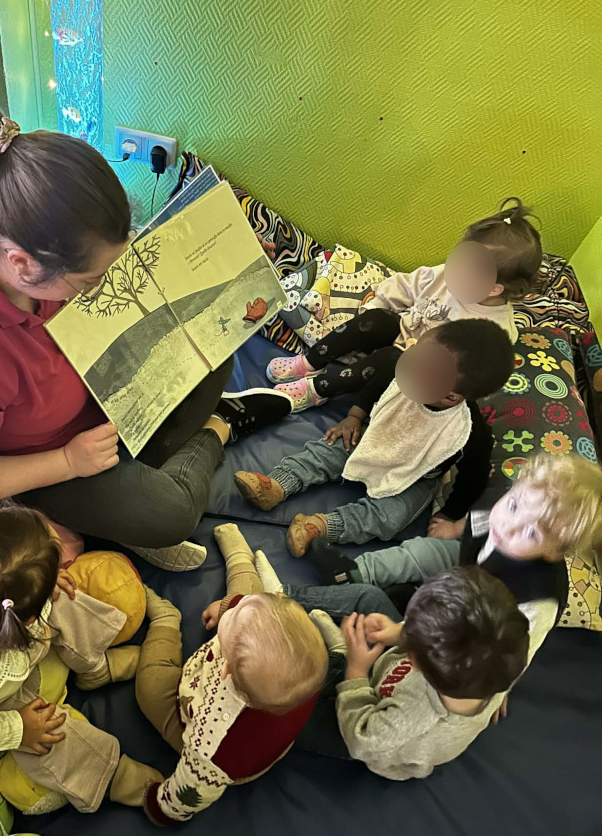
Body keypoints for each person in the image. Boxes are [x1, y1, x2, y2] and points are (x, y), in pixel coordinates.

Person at [0, 110, 290, 568]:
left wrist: (229, 262)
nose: (104, 286)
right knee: (170, 514)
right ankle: (219, 426)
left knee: (215, 344)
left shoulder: (3, 213)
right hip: (45, 456)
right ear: (23, 264)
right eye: (90, 283)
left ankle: (136, 485)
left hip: (91, 387)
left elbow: (122, 264)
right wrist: (68, 462)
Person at [0, 504, 163, 814]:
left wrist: (46, 583)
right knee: (48, 732)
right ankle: (114, 777)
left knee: (63, 595)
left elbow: (9, 578)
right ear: (23, 620)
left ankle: (94, 667)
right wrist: (18, 729)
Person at [235, 319, 514, 557]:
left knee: (392, 517)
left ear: (451, 397)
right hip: (374, 438)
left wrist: (450, 516)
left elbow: (473, 478)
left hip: (413, 477)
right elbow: (375, 385)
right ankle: (277, 484)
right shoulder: (398, 366)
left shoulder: (467, 432)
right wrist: (354, 417)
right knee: (328, 448)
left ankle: (321, 527)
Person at [305, 452, 602, 661]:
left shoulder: (538, 598)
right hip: (467, 563)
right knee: (421, 552)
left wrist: (496, 688)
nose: (507, 526)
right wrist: (453, 528)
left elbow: (519, 651)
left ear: (554, 552)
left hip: (481, 608)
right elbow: (479, 517)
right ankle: (354, 571)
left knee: (453, 634)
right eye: (513, 506)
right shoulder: (502, 509)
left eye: (530, 533)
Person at [265, 198, 541, 412]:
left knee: (387, 360)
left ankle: (318, 389)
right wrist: (373, 311)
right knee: (377, 318)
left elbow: (471, 376)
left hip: (416, 369)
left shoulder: (494, 331)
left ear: (493, 288)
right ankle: (310, 362)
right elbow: (406, 285)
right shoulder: (448, 275)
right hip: (402, 331)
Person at [134, 523, 328, 825]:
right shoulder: (303, 664)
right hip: (265, 712)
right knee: (253, 599)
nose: (234, 607)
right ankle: (239, 555)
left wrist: (160, 805)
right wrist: (230, 606)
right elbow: (258, 609)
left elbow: (189, 791)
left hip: (210, 738)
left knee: (149, 687)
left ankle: (165, 622)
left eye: (232, 615)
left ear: (224, 668)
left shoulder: (210, 750)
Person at [301, 567, 529, 778]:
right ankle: (287, 594)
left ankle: (340, 655)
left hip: (368, 734)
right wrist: (395, 632)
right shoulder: (496, 665)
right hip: (393, 673)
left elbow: (360, 741)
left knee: (297, 715)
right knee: (370, 596)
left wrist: (356, 670)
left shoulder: (414, 717)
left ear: (414, 662)